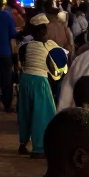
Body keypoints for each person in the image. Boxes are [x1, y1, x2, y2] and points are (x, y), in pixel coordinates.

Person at [16, 14, 64, 157]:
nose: (44, 32)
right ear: (42, 31)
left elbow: (21, 62)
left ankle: (23, 144)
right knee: (42, 114)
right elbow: (58, 67)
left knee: (25, 112)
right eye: (43, 30)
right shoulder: (51, 46)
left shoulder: (25, 46)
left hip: (25, 80)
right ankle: (39, 148)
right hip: (40, 81)